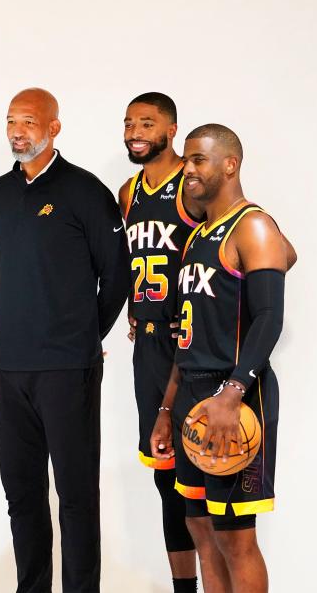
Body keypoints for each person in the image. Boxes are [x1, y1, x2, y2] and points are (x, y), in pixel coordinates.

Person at [0, 88, 130, 592]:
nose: (18, 131)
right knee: (21, 493)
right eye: (11, 122)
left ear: (54, 127)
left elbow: (117, 275)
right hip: (11, 368)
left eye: (28, 121)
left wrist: (87, 334)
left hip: (69, 368)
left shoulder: (85, 191)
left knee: (75, 494)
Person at [151, 124, 292, 593]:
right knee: (202, 532)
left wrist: (233, 392)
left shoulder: (251, 225)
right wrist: (167, 409)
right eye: (186, 160)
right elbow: (185, 336)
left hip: (236, 393)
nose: (187, 169)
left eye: (198, 160)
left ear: (229, 164)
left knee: (235, 538)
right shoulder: (198, 237)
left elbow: (269, 318)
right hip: (192, 392)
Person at [118, 92, 204, 593]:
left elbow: (232, 240)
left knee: (202, 475)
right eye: (129, 123)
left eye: (146, 123)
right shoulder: (128, 192)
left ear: (171, 129)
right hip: (148, 346)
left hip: (191, 345)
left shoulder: (192, 186)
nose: (134, 132)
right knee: (165, 474)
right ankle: (183, 588)